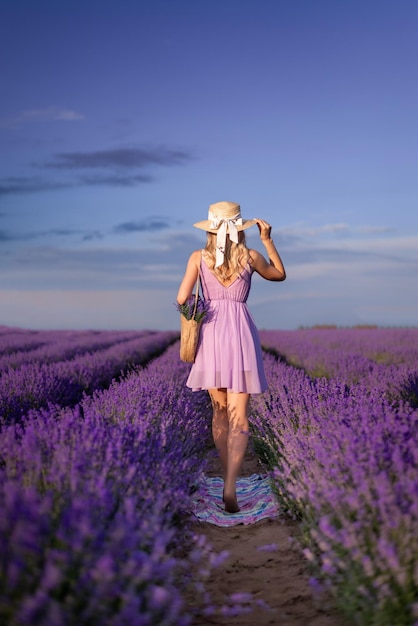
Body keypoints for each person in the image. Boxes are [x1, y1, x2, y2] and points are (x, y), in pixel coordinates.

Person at [176, 201, 286, 513]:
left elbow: (182, 298)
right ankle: (230, 487)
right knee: (240, 415)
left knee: (220, 412)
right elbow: (279, 275)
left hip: (210, 334)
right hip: (240, 333)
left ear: (210, 229)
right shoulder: (249, 256)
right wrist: (267, 240)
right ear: (241, 228)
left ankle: (225, 477)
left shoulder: (198, 257)